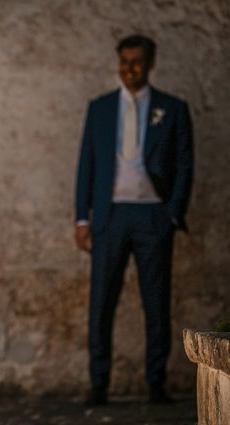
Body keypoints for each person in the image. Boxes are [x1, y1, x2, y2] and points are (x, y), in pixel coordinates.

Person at [74, 35, 193, 406]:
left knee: (156, 301)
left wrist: (171, 213)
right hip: (110, 216)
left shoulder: (172, 108)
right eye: (124, 62)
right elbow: (86, 165)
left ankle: (156, 381)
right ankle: (99, 381)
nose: (130, 69)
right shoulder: (100, 108)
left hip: (153, 215)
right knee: (101, 301)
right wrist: (82, 218)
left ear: (150, 63)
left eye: (137, 62)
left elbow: (186, 165)